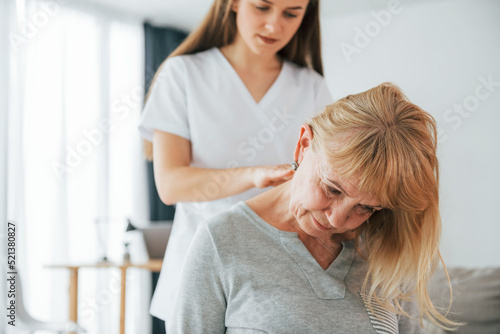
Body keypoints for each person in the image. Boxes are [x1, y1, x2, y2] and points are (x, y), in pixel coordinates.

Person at [168, 83, 461, 333]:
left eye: (366, 207)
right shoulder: (222, 242)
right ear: (304, 144)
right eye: (332, 189)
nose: (338, 218)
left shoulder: (387, 246)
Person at [138, 0, 331, 324]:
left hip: (282, 268)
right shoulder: (184, 73)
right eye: (262, 7)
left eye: (291, 13)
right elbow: (171, 185)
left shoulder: (310, 86)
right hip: (199, 262)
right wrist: (253, 175)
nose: (274, 25)